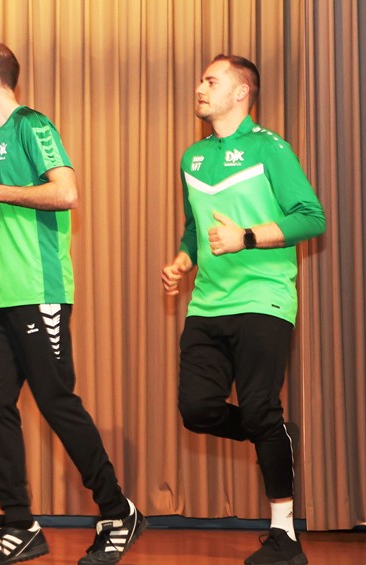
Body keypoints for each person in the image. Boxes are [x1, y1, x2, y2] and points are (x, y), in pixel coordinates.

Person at [0, 43, 145, 565]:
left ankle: (118, 511)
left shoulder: (32, 125)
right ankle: (21, 525)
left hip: (39, 293)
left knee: (57, 402)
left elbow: (66, 193)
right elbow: (14, 200)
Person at [162, 54, 324, 565]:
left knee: (258, 406)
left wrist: (247, 237)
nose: (200, 87)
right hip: (207, 304)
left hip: (264, 297)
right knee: (197, 410)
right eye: (201, 80)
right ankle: (271, 432)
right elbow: (194, 226)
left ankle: (284, 536)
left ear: (241, 92)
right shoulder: (192, 158)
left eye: (211, 80)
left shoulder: (269, 148)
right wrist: (183, 260)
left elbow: (311, 217)